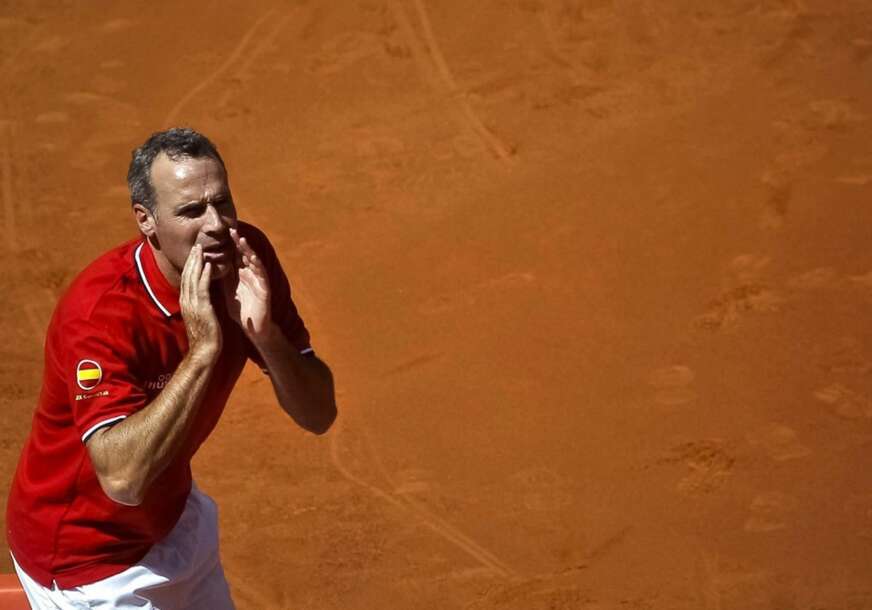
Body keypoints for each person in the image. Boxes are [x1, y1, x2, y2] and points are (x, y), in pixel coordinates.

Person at [6, 127, 337, 609]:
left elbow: (319, 414)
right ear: (147, 219)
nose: (216, 225)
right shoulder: (99, 314)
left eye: (221, 202)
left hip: (174, 520)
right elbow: (121, 480)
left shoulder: (247, 260)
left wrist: (266, 338)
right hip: (88, 562)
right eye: (190, 211)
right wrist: (203, 351)